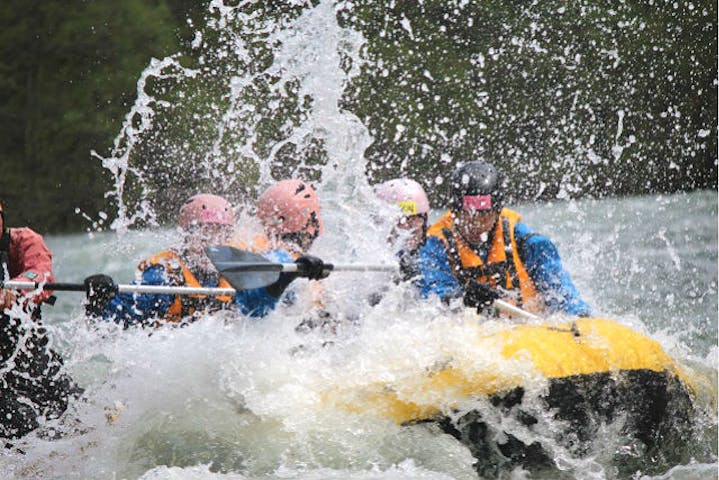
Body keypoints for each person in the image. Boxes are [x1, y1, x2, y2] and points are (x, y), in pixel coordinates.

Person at [85, 194, 325, 325]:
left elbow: (263, 306)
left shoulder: (236, 266)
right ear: (185, 236)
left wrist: (294, 274)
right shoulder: (165, 275)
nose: (209, 242)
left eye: (218, 233)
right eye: (201, 232)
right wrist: (102, 300)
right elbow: (121, 317)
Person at [418, 161, 591, 316]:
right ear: (454, 212)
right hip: (472, 331)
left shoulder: (525, 240)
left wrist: (579, 316)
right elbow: (433, 293)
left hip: (528, 327)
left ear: (498, 211)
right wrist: (462, 297)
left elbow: (559, 286)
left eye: (484, 215)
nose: (476, 224)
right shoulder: (435, 245)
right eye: (467, 215)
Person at [0, 202, 78, 440]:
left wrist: (15, 291)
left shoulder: (23, 240)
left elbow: (40, 273)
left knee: (74, 407)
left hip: (26, 354)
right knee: (19, 421)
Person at [374, 178, 431, 282]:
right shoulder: (367, 254)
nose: (410, 226)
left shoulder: (435, 253)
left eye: (417, 217)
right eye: (403, 219)